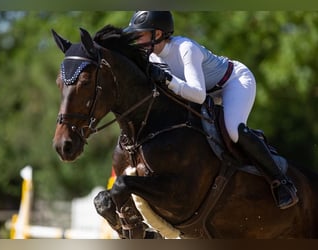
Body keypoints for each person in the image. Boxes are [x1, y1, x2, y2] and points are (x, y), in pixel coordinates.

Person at [124, 11, 299, 209]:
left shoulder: (185, 48)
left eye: (139, 35)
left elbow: (197, 94)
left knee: (233, 129)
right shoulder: (154, 58)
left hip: (233, 82)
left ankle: (281, 182)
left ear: (157, 34)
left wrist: (167, 79)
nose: (135, 41)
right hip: (207, 92)